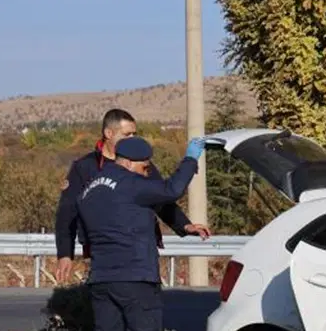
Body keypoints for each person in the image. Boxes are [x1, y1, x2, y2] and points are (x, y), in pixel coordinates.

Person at [76, 136, 206, 331]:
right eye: (145, 167)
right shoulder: (131, 183)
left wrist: (184, 227)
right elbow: (171, 190)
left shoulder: (90, 190)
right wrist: (191, 158)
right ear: (131, 162)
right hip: (135, 276)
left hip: (101, 279)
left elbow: (84, 237)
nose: (147, 172)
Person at [53, 109, 210, 283]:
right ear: (108, 133)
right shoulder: (84, 167)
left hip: (140, 255)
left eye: (135, 134)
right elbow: (67, 214)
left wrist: (185, 225)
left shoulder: (141, 163)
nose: (133, 138)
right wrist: (65, 254)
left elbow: (162, 199)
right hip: (101, 256)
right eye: (127, 134)